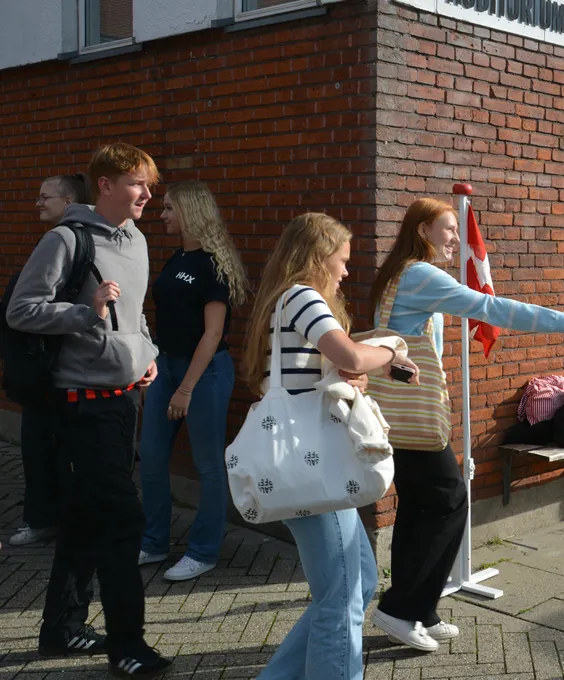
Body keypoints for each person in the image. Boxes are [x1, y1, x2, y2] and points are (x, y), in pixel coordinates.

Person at [368, 197, 564, 652]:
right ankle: (400, 609)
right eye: (447, 229)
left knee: (424, 506)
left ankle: (419, 608)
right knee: (447, 501)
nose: (456, 239)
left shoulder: (399, 273)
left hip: (397, 413)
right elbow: (490, 308)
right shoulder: (420, 275)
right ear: (422, 231)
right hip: (414, 416)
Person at [6, 143, 172, 678]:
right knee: (124, 521)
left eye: (149, 185)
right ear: (105, 185)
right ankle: (128, 645)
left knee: (84, 518)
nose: (148, 193)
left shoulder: (138, 240)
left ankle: (61, 627)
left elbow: (136, 313)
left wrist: (145, 357)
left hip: (125, 400)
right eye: (137, 183)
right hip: (82, 407)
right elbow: (22, 310)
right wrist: (85, 310)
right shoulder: (65, 238)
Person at [244, 213, 420, 680]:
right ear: (316, 257)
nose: (345, 271)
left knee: (355, 586)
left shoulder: (284, 300)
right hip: (313, 465)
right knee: (341, 597)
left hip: (308, 463)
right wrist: (390, 353)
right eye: (341, 261)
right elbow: (349, 354)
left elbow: (315, 371)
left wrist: (348, 370)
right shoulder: (302, 295)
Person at [137, 181, 251, 581]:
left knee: (207, 465)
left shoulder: (213, 263)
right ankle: (153, 542)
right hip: (166, 366)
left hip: (205, 372)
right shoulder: (176, 258)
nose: (163, 214)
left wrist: (186, 388)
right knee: (150, 456)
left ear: (190, 211)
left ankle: (203, 551)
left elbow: (213, 333)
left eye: (169, 208)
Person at [10, 173, 92, 548]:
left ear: (69, 202)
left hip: (60, 366)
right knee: (38, 443)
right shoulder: (57, 241)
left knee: (51, 445)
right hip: (43, 368)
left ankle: (56, 520)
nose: (38, 204)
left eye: (46, 197)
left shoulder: (68, 242)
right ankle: (46, 517)